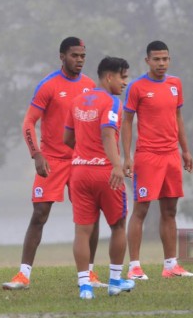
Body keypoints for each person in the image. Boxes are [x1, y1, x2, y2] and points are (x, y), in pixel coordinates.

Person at [3, 37, 103, 290]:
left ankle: (89, 274)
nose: (79, 60)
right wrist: (36, 154)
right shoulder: (48, 85)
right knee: (39, 214)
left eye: (82, 56)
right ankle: (23, 275)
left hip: (82, 161)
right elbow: (28, 122)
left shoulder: (91, 86)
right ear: (62, 56)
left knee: (91, 217)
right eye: (74, 55)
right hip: (52, 160)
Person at [123, 40, 193, 280]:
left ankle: (171, 265)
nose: (161, 63)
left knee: (170, 210)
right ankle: (134, 266)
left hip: (171, 156)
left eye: (165, 59)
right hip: (148, 156)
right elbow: (126, 122)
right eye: (156, 59)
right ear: (147, 61)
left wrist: (185, 150)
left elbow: (178, 118)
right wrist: (127, 156)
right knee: (141, 209)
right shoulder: (136, 87)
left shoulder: (176, 84)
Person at [63, 56, 135, 299]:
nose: (125, 82)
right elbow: (107, 134)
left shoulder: (76, 101)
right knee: (117, 225)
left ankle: (85, 286)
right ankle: (115, 281)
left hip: (79, 172)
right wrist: (117, 165)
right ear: (109, 77)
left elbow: (67, 139)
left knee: (82, 231)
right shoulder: (112, 102)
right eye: (122, 77)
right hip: (105, 172)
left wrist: (84, 150)